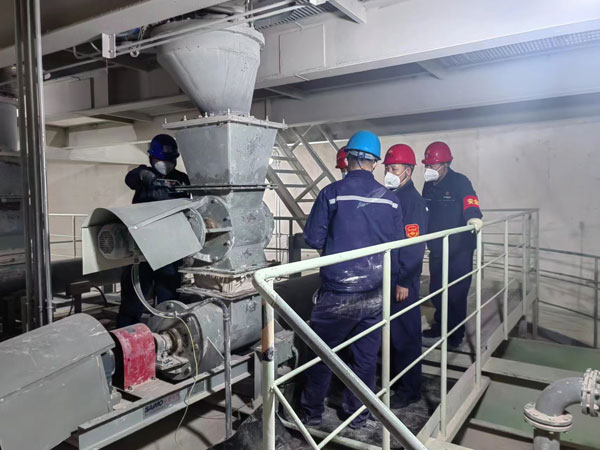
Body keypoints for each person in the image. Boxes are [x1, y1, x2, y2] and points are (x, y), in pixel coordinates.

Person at [300, 130, 404, 429]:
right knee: (365, 359)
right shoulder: (391, 200)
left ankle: (312, 414)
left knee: (322, 355)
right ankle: (358, 415)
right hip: (375, 293)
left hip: (338, 292)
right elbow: (397, 247)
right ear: (375, 162)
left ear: (348, 158)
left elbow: (313, 238)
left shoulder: (332, 193)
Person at [116, 134, 191, 327]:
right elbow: (130, 179)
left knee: (169, 299)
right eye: (160, 160)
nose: (165, 164)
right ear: (151, 158)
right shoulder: (143, 175)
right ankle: (126, 336)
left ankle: (166, 333)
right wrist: (144, 176)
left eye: (169, 161)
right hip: (142, 249)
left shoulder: (181, 180)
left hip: (170, 249)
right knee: (134, 298)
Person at [421, 141, 483, 348]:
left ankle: (455, 335)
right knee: (437, 289)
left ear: (445, 164)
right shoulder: (429, 185)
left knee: (456, 293)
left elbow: (470, 200)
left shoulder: (460, 181)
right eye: (427, 165)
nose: (428, 169)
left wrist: (473, 217)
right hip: (437, 247)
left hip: (459, 249)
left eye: (432, 165)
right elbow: (424, 211)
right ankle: (440, 326)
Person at [383, 144, 428, 408]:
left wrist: (404, 280)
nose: (389, 173)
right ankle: (396, 382)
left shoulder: (412, 201)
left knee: (405, 336)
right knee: (392, 335)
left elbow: (414, 245)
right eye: (387, 168)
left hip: (402, 281)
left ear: (408, 171)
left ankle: (410, 390)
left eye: (394, 168)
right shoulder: (391, 195)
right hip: (388, 276)